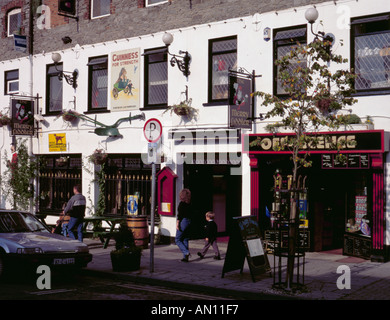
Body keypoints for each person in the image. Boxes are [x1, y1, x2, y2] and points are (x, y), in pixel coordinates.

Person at [175, 188, 192, 262]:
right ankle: (185, 257)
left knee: (177, 239)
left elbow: (180, 215)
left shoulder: (182, 204)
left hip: (183, 221)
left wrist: (177, 223)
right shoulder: (190, 203)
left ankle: (186, 252)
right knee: (185, 238)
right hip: (189, 221)